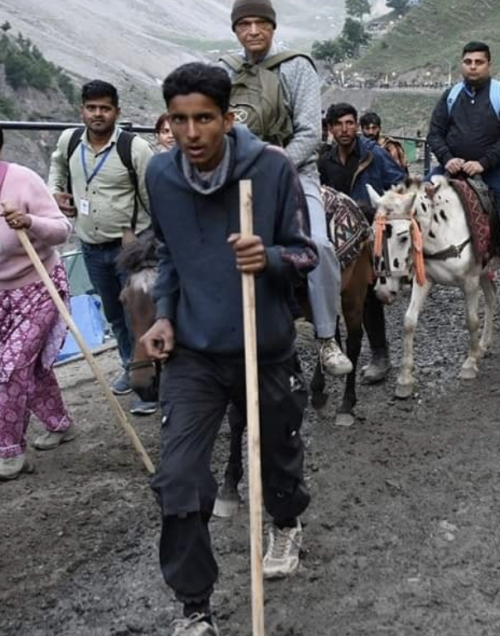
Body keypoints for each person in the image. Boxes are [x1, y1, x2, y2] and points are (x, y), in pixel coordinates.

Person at [141, 63, 316, 636]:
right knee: (179, 477)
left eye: (204, 119)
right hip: (194, 353)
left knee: (277, 459)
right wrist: (164, 317)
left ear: (227, 117)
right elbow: (166, 255)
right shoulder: (162, 176)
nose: (191, 133)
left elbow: (306, 254)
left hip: (263, 347)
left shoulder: (271, 168)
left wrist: (267, 256)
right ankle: (196, 608)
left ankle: (286, 522)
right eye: (179, 120)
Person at [220, 0, 351, 376]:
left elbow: (311, 133)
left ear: (273, 27)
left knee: (321, 245)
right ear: (236, 30)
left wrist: (271, 168)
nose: (254, 31)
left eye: (262, 22)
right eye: (245, 24)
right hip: (237, 176)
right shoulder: (225, 71)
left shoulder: (296, 66)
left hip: (295, 174)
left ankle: (326, 338)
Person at [0, 119, 74, 481]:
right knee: (32, 366)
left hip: (37, 287)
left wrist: (28, 221)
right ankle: (59, 422)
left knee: (11, 367)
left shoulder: (22, 179)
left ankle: (10, 450)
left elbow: (61, 229)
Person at [47, 80, 157, 414]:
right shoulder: (69, 141)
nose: (98, 114)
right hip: (90, 245)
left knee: (137, 313)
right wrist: (55, 191)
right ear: (82, 109)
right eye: (91, 107)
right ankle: (130, 366)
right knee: (113, 313)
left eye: (105, 108)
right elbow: (57, 167)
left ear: (116, 112)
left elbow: (153, 195)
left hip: (131, 246)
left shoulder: (134, 148)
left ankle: (149, 384)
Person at [426, 41, 500, 300]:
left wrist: (483, 162)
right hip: (453, 166)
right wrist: (448, 158)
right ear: (462, 64)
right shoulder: (450, 96)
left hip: (492, 168)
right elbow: (435, 133)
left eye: (478, 62)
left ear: (489, 65)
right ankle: (416, 258)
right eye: (468, 62)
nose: (473, 67)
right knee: (420, 197)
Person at [319, 103, 406, 382]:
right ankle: (332, 350)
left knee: (368, 296)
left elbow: (400, 184)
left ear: (356, 125)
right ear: (330, 129)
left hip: (369, 236)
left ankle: (380, 354)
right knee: (327, 294)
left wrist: (376, 208)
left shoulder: (374, 155)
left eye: (349, 123)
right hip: (335, 240)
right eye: (338, 124)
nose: (344, 130)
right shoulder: (325, 161)